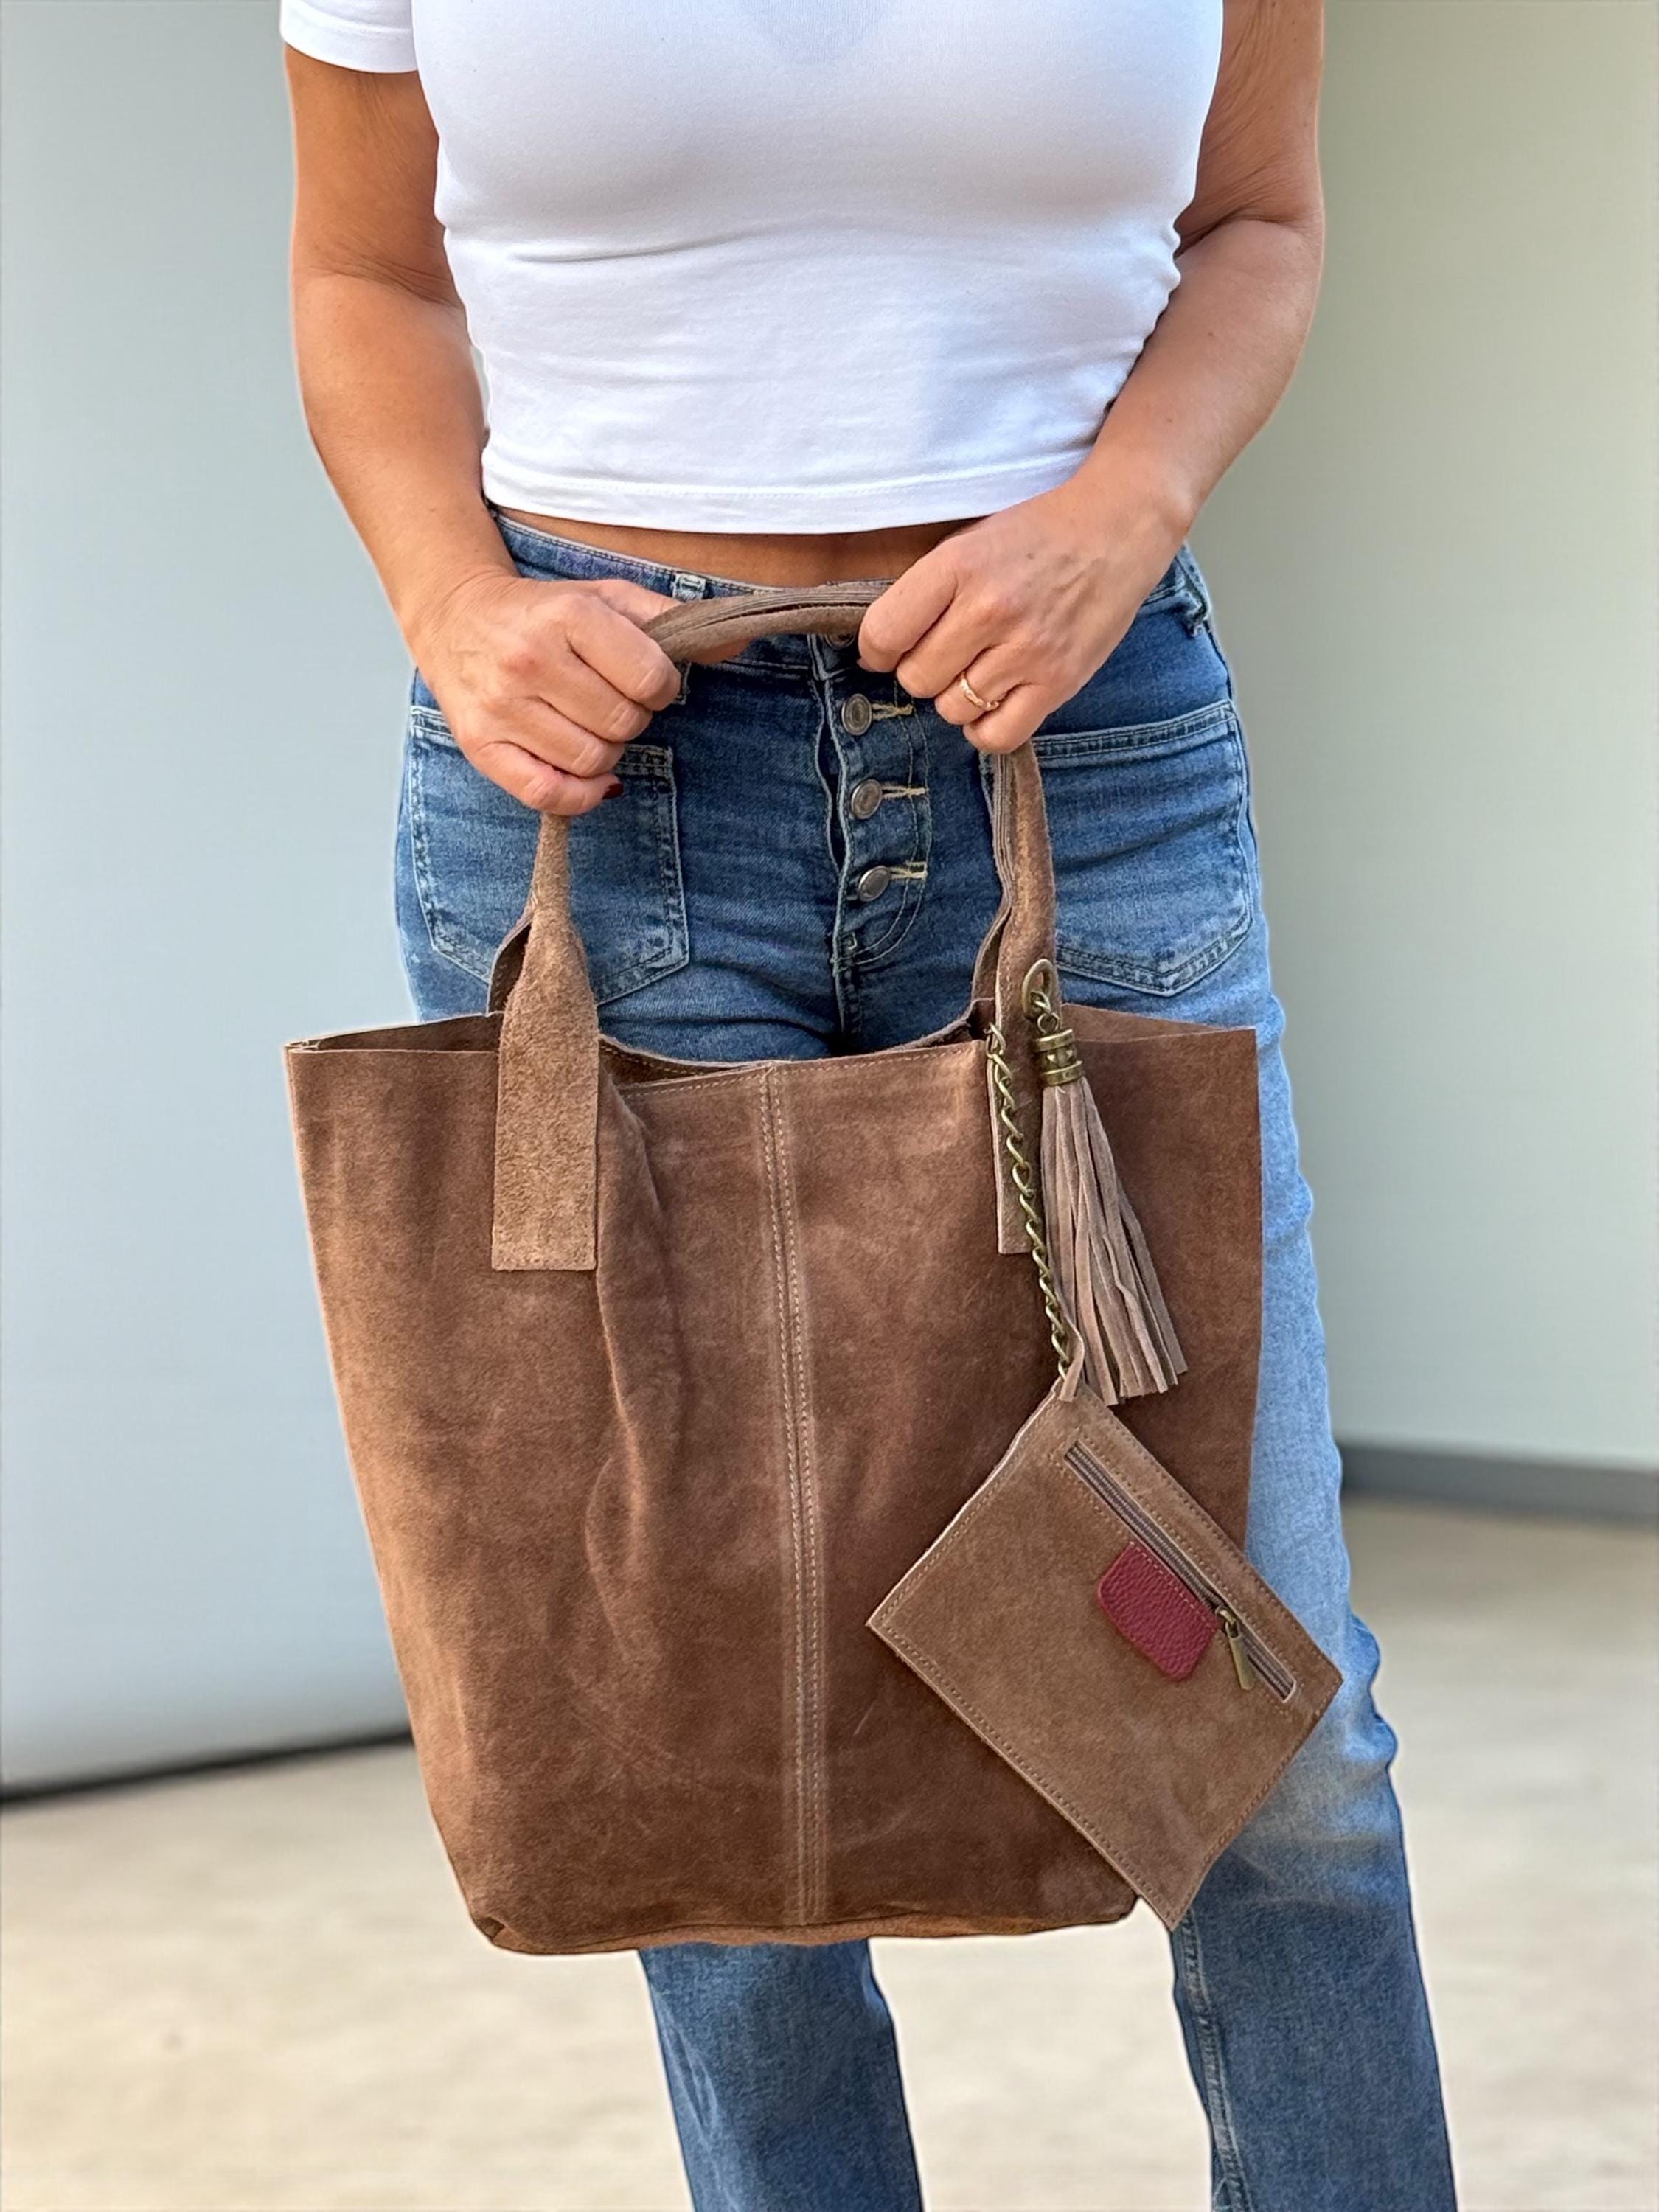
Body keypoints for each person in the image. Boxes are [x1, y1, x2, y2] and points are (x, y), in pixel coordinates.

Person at [280, 2, 1456, 2204]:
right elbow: (368, 274)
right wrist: (455, 603)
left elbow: (1256, 223)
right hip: (602, 782)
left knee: (1270, 1739)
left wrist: (1124, 505)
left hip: (1072, 757)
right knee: (692, 1726)